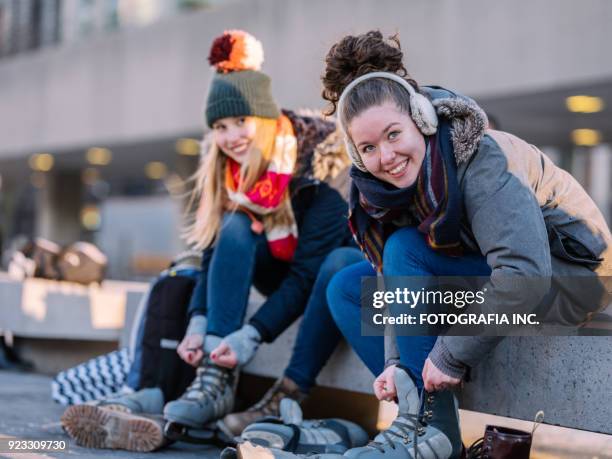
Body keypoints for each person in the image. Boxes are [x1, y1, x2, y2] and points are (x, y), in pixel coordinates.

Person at [246, 30, 611, 459]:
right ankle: (432, 425)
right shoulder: (383, 189)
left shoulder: (482, 157)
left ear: (421, 119)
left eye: (394, 134)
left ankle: (428, 432)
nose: (386, 156)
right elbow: (390, 275)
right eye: (368, 147)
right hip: (493, 274)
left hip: (569, 279)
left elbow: (525, 274)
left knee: (404, 247)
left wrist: (451, 355)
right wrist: (396, 363)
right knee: (346, 287)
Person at [61, 29, 363, 452]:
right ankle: (214, 380)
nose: (232, 136)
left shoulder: (323, 164)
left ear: (264, 117)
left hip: (323, 278)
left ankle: (287, 392)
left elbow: (308, 272)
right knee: (235, 228)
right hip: (277, 271)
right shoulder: (229, 172)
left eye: (241, 121)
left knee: (339, 262)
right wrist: (201, 324)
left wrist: (251, 335)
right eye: (220, 126)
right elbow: (212, 254)